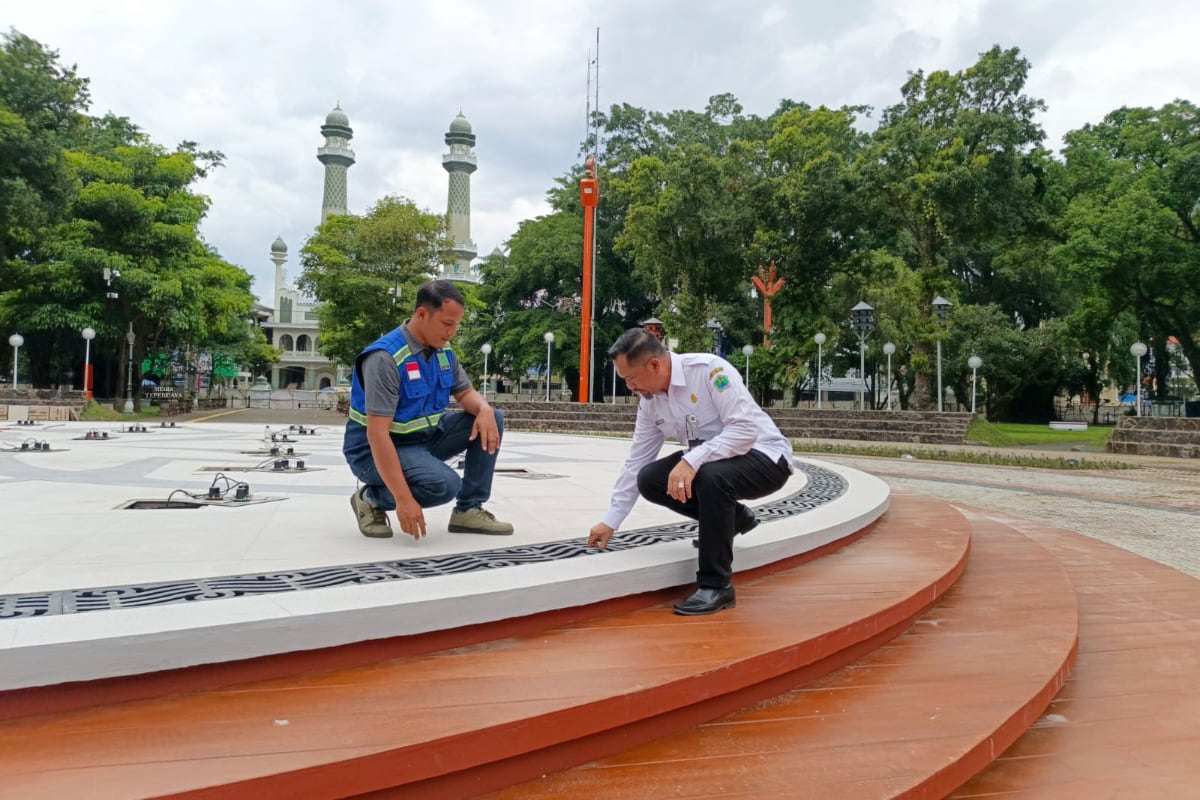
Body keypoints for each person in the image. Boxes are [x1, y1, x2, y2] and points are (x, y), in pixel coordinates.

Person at [587, 328, 793, 615]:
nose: (630, 387)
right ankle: (734, 517)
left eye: (631, 378)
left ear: (655, 364)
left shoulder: (710, 372)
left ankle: (716, 585)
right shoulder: (651, 401)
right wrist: (611, 520)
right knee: (649, 478)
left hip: (765, 457)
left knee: (711, 476)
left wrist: (692, 460)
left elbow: (744, 431)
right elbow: (637, 460)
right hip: (714, 463)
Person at [343, 280, 513, 539]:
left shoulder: (444, 353)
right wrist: (403, 500)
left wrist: (485, 408)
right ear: (422, 314)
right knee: (444, 485)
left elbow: (465, 393)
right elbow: (377, 435)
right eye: (447, 324)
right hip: (374, 450)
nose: (452, 333)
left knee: (492, 418)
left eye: (457, 325)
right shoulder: (385, 359)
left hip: (422, 440)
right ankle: (371, 498)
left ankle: (468, 510)